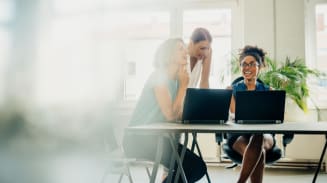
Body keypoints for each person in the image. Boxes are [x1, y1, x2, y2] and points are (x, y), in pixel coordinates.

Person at [123, 38, 207, 183]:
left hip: (158, 138)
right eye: (180, 49)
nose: (186, 52)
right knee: (195, 167)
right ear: (168, 55)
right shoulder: (159, 76)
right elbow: (170, 115)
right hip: (138, 140)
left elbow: (178, 114)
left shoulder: (176, 81)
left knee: (197, 167)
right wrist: (183, 86)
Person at [227, 45, 275, 183]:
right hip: (239, 133)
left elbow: (274, 115)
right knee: (259, 152)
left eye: (252, 64)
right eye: (244, 64)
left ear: (260, 67)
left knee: (259, 135)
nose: (247, 67)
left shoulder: (269, 91)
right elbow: (235, 113)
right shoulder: (231, 90)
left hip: (264, 134)